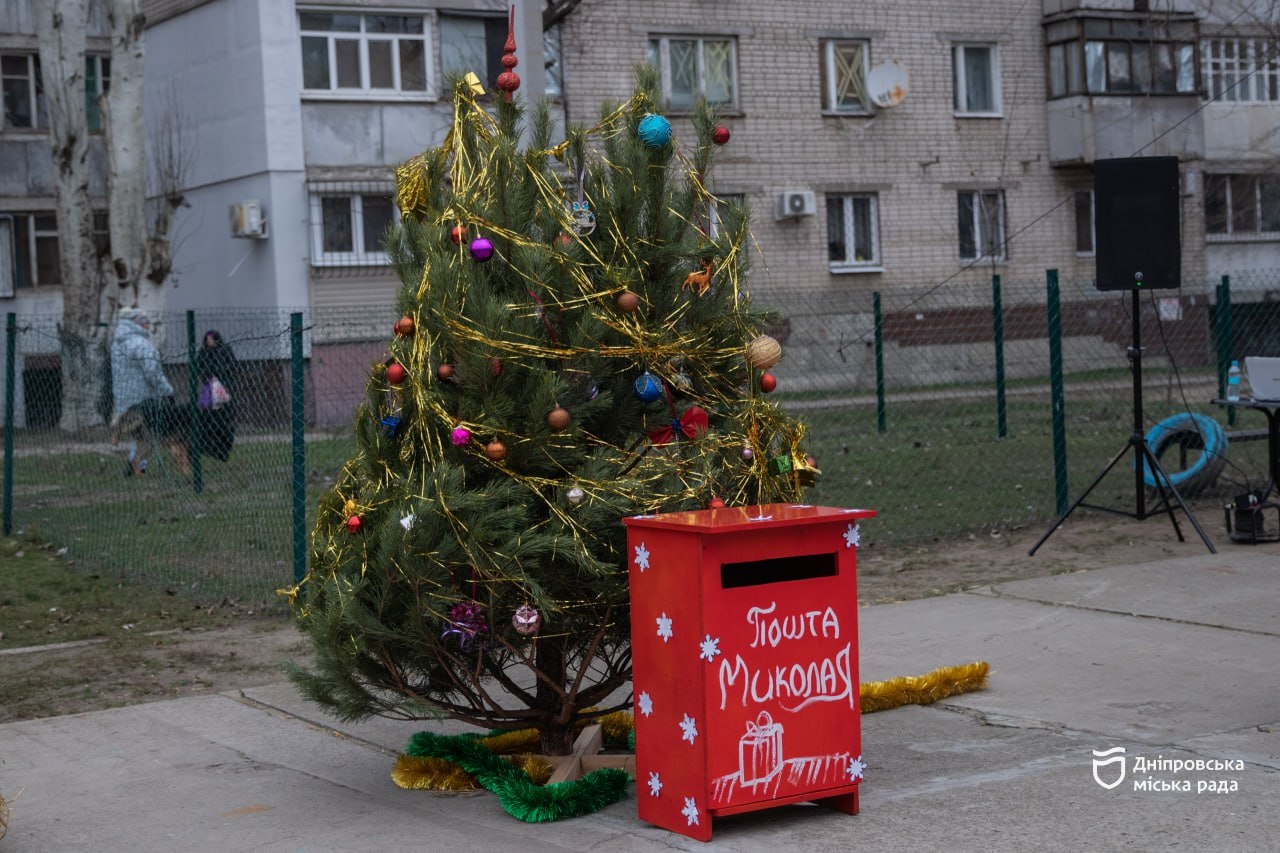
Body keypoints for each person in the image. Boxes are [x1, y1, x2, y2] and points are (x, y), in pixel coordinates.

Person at [111, 308, 190, 476]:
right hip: (144, 396)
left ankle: (135, 466)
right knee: (151, 434)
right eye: (146, 322)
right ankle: (136, 467)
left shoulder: (117, 343)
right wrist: (167, 390)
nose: (149, 326)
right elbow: (153, 373)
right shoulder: (142, 344)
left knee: (140, 434)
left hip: (125, 396)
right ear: (138, 324)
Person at [195, 329, 238, 462]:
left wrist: (218, 372)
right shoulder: (203, 352)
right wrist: (208, 374)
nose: (209, 342)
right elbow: (198, 367)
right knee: (207, 420)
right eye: (207, 339)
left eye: (212, 339)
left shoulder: (225, 350)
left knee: (225, 422)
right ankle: (209, 448)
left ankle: (223, 451)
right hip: (209, 390)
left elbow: (232, 366)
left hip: (224, 389)